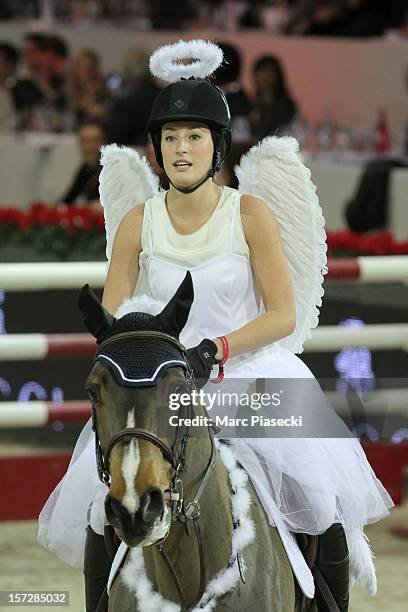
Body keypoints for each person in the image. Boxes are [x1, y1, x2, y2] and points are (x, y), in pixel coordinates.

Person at [38, 40, 393, 612]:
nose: (181, 150)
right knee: (97, 508)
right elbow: (116, 321)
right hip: (164, 392)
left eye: (194, 137)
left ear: (216, 145)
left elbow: (283, 313)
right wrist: (160, 358)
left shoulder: (249, 213)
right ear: (155, 149)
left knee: (321, 503)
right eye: (171, 138)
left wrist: (217, 349)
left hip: (250, 379)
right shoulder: (137, 221)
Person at [58, 120, 105, 211]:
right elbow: (69, 199)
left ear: (103, 142)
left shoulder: (113, 170)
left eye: (94, 141)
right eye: (85, 141)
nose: (90, 146)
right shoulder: (85, 168)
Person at [250, 54, 298, 140]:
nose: (266, 77)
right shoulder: (250, 104)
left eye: (271, 71)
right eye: (262, 71)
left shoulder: (286, 105)